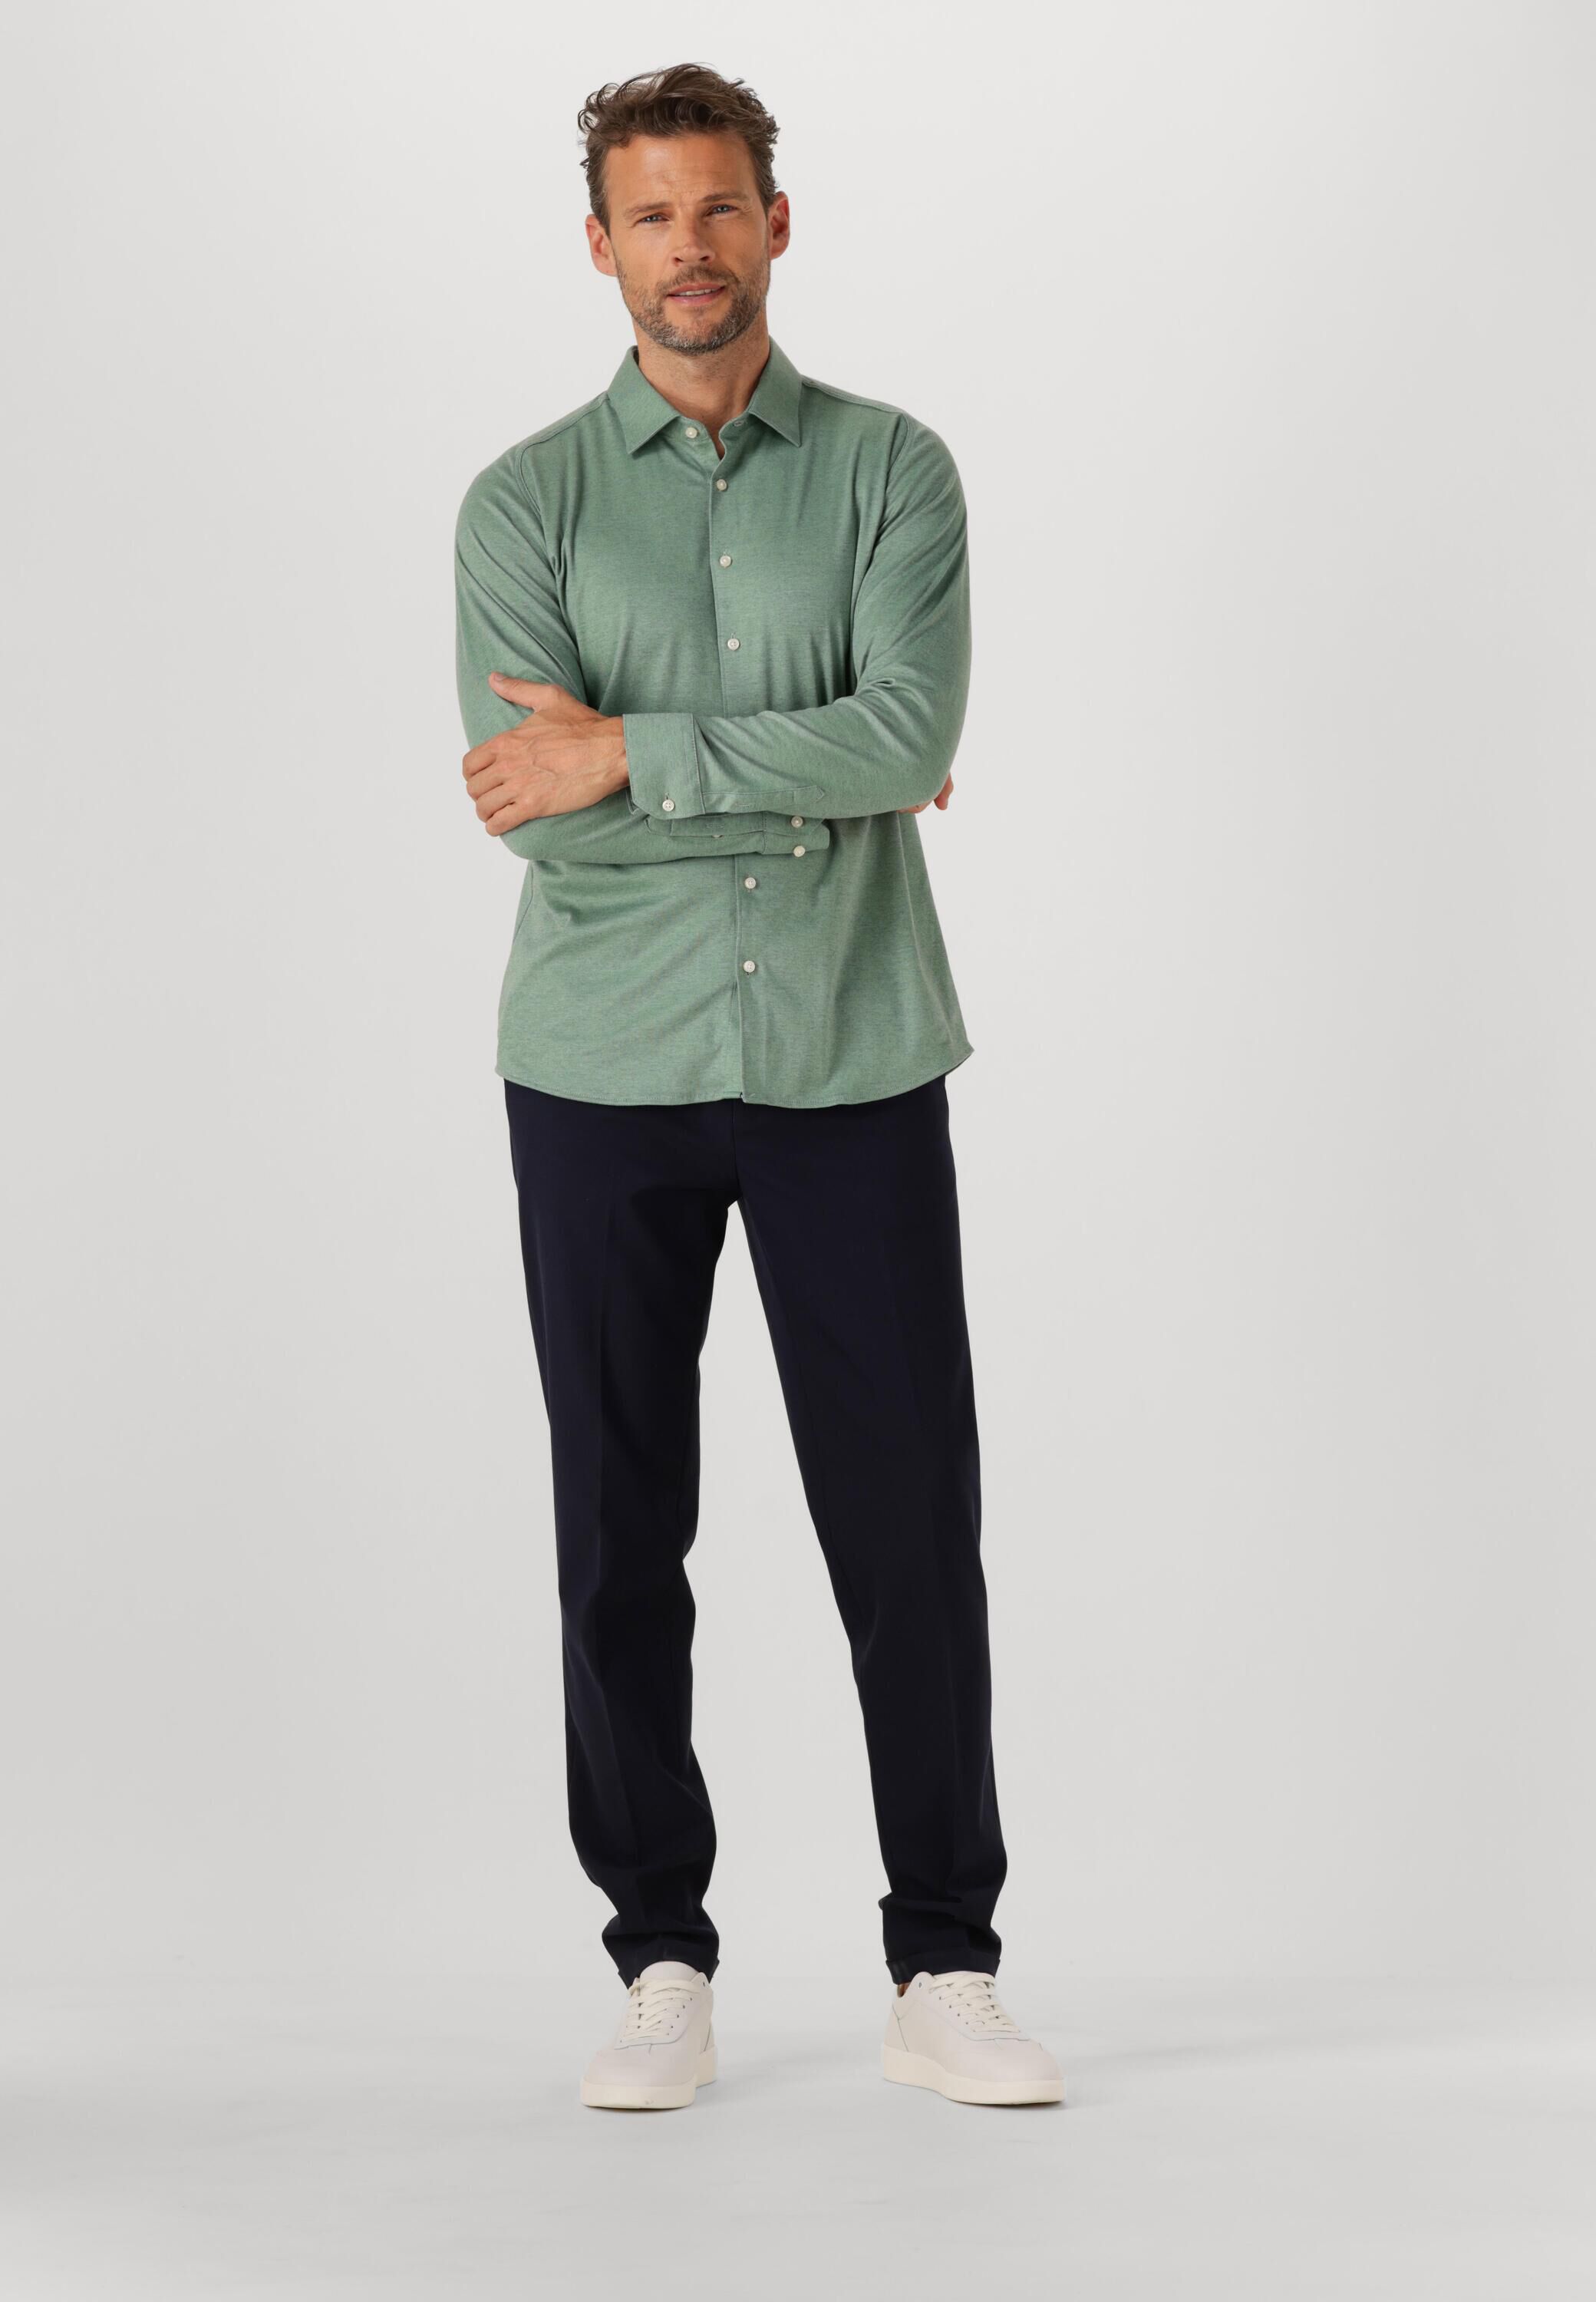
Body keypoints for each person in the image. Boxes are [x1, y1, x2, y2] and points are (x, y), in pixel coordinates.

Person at [453, 61, 1063, 2112]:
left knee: (908, 1523)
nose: (689, 248)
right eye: (651, 215)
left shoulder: (892, 471)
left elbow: (908, 732)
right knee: (618, 1524)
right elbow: (530, 806)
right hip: (598, 1067)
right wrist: (810, 768)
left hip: (847, 1054)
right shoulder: (523, 504)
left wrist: (632, 748)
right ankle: (660, 1955)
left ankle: (945, 1960)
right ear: (600, 245)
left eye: (719, 207)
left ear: (774, 224)